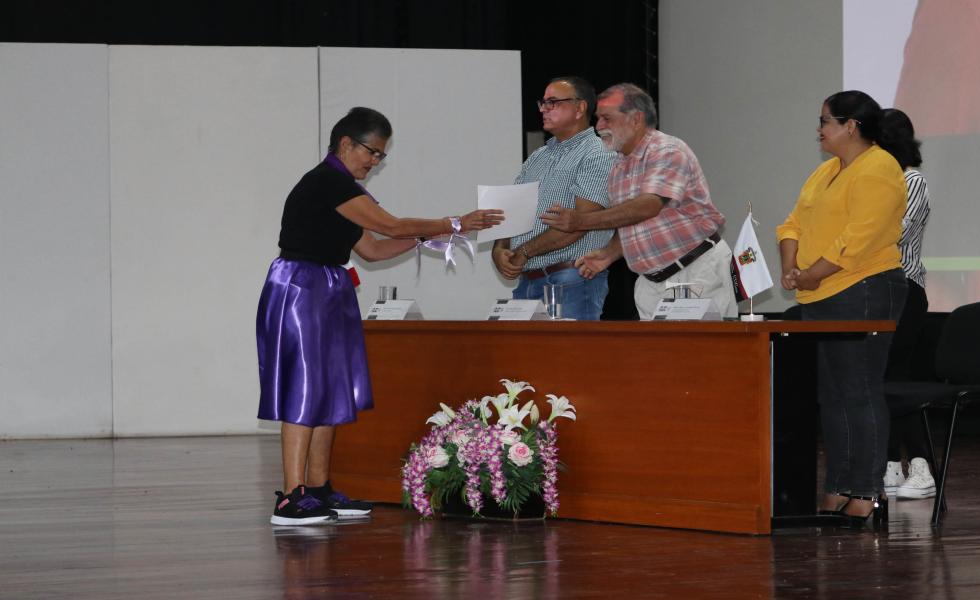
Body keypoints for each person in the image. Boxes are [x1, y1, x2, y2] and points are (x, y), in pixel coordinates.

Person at [257, 107, 503, 525]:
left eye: (380, 155)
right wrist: (454, 223)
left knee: (329, 389)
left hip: (328, 286)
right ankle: (290, 499)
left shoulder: (345, 191)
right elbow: (390, 226)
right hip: (301, 287)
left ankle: (317, 489)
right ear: (345, 143)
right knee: (304, 389)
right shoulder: (328, 182)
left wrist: (430, 233)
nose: (375, 161)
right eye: (372, 152)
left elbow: (372, 250)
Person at [776, 91, 908, 529]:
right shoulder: (826, 170)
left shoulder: (880, 167)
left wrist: (811, 273)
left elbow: (859, 237)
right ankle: (838, 485)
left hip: (863, 287)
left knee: (858, 389)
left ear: (851, 126)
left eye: (825, 121)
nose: (819, 129)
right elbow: (792, 223)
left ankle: (866, 490)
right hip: (820, 293)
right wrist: (792, 268)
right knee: (830, 394)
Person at [539, 83, 737, 320]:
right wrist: (609, 254)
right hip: (650, 282)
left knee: (702, 345)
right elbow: (634, 224)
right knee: (651, 347)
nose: (598, 126)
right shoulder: (619, 165)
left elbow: (648, 206)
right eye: (598, 119)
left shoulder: (667, 150)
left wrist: (580, 221)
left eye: (607, 118)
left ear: (636, 119)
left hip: (695, 272)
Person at [491, 76, 616, 320]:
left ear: (580, 108)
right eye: (543, 103)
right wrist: (499, 249)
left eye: (553, 102)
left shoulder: (599, 152)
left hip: (571, 280)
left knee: (569, 347)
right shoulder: (539, 156)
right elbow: (512, 206)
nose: (543, 109)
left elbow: (581, 223)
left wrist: (524, 252)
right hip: (528, 279)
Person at [880, 107, 935, 500]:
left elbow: (892, 234)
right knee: (879, 379)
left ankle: (921, 465)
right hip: (875, 291)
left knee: (895, 378)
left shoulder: (911, 180)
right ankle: (889, 466)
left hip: (905, 290)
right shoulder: (871, 181)